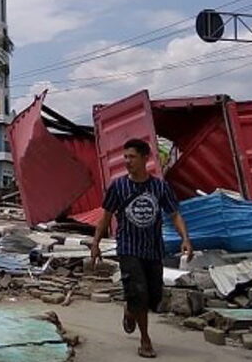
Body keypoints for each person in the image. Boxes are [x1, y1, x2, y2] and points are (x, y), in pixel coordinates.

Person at [90, 138, 193, 359]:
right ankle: (145, 339)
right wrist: (95, 243)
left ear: (145, 158)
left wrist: (185, 239)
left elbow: (174, 214)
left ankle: (130, 308)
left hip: (153, 249)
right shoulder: (118, 186)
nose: (127, 161)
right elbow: (105, 217)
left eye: (132, 157)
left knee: (154, 297)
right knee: (139, 292)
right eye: (125, 157)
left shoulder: (160, 187)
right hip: (128, 247)